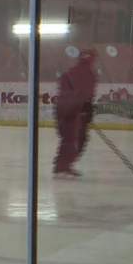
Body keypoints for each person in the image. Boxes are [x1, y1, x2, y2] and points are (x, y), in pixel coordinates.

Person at [54, 49, 98, 178]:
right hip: (75, 111)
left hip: (64, 110)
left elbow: (66, 92)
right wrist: (85, 107)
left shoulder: (70, 72)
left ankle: (62, 166)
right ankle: (63, 166)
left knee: (69, 139)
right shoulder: (89, 74)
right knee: (76, 139)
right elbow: (84, 94)